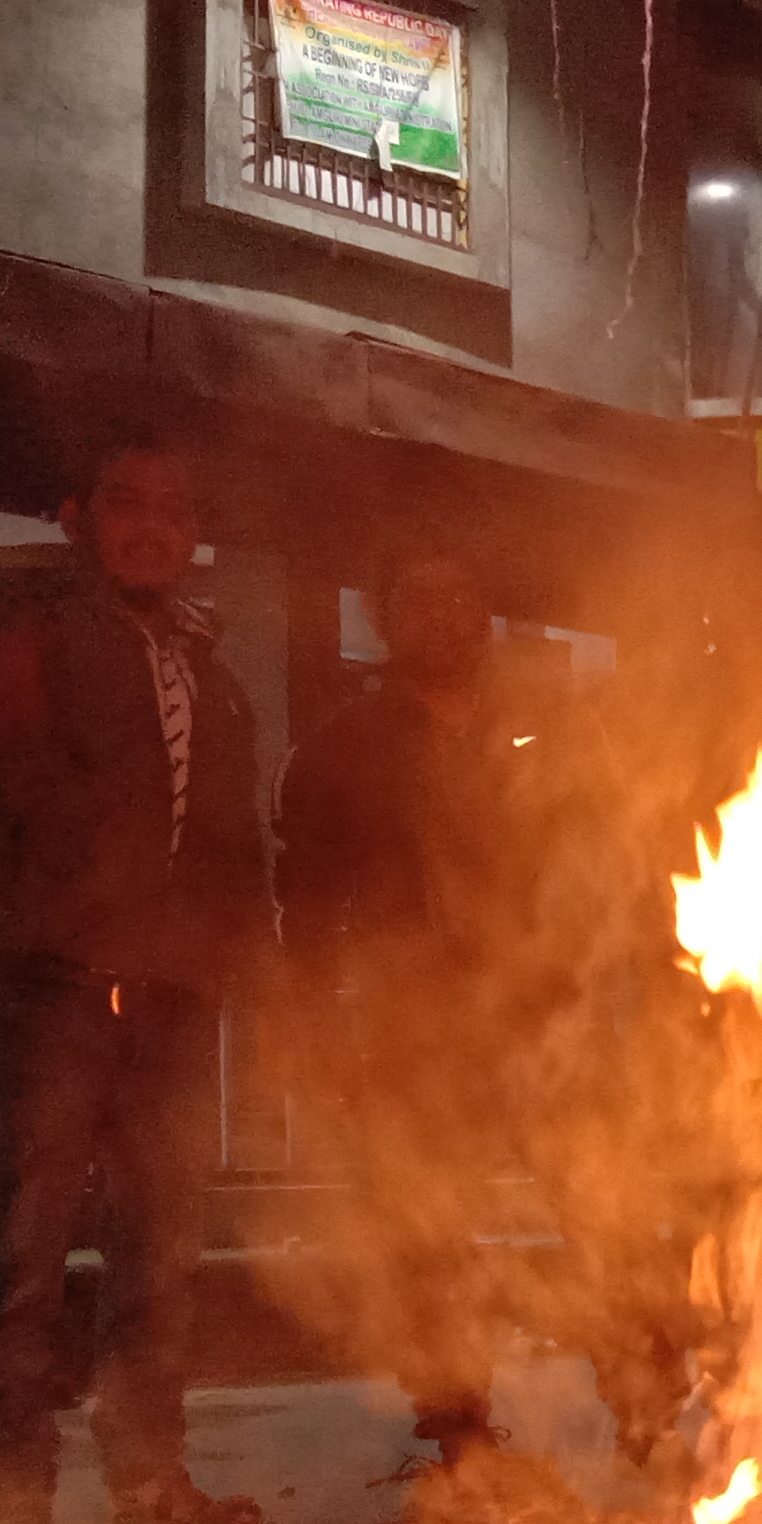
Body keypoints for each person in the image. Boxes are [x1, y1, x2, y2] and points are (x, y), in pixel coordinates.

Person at [0, 435, 276, 1524]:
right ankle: (11, 1502)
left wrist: (235, 954)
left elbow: (230, 840)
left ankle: (146, 1476)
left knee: (160, 1246)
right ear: (79, 515)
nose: (151, 526)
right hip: (49, 982)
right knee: (24, 1251)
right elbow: (13, 776)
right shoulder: (28, 633)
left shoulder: (207, 671)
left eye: (173, 507)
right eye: (127, 503)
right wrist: (110, 897)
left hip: (169, 994)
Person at [274, 543, 552, 1465]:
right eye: (419, 599)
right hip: (409, 1017)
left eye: (460, 594)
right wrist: (316, 1019)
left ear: (484, 612)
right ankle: (459, 1420)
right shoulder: (343, 745)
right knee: (431, 1222)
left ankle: (648, 1392)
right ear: (387, 621)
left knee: (600, 1193)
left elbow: (589, 851)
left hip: (534, 1002)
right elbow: (305, 898)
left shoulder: (539, 728)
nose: (442, 615)